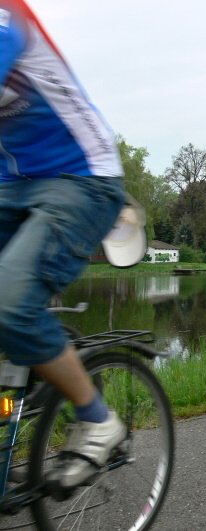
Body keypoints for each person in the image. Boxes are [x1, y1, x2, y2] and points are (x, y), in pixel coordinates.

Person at [0, 0, 129, 489]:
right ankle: (18, 410)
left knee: (9, 301)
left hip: (82, 177)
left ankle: (98, 419)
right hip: (12, 184)